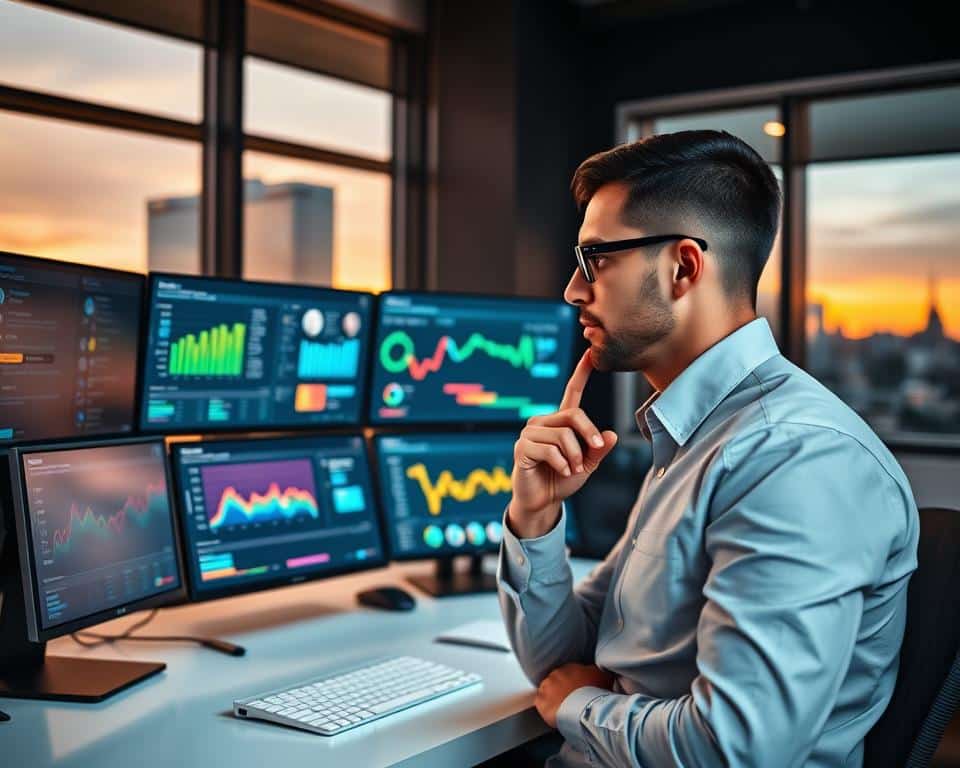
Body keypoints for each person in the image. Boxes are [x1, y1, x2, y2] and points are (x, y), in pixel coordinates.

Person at [496, 130, 919, 767]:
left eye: (595, 260)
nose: (572, 291)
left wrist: (579, 709)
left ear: (684, 267)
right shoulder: (697, 439)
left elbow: (739, 750)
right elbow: (564, 663)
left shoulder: (793, 458)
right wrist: (537, 519)